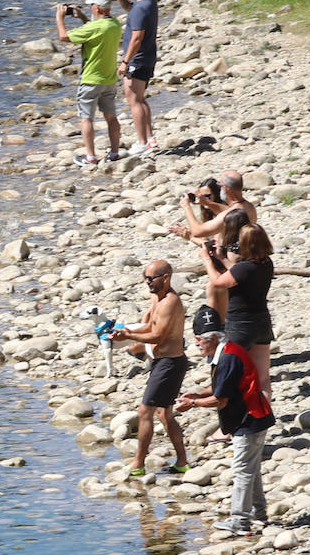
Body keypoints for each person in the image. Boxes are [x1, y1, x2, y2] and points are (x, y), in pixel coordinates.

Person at [175, 306, 276, 536]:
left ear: (212, 338)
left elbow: (220, 399)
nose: (197, 344)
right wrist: (198, 394)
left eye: (199, 339)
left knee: (242, 469)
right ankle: (260, 515)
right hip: (254, 418)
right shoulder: (226, 351)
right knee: (251, 469)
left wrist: (192, 404)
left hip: (249, 420)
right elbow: (223, 387)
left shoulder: (228, 358)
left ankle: (240, 522)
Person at [112, 260, 189, 477]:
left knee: (145, 411)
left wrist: (129, 336)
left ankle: (138, 464)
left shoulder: (170, 302)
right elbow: (149, 326)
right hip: (161, 363)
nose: (147, 282)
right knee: (165, 414)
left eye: (151, 278)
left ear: (166, 278)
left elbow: (158, 335)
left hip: (170, 364)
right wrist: (125, 331)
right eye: (145, 278)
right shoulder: (156, 297)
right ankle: (182, 461)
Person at [203, 222, 275, 402]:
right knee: (263, 377)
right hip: (262, 323)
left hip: (240, 325)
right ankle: (264, 417)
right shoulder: (266, 263)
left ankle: (232, 423)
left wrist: (206, 260)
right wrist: (222, 259)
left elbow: (219, 282)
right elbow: (239, 274)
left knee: (228, 373)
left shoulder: (244, 268)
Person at [55, 0, 122, 166]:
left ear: (97, 7)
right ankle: (114, 153)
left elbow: (64, 37)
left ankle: (90, 157)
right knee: (111, 117)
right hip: (109, 79)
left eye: (92, 5)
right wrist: (83, 17)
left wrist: (59, 17)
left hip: (91, 79)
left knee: (87, 118)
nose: (91, 7)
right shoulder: (114, 24)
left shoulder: (93, 28)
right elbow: (95, 29)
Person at [107, 0, 158, 155]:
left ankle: (142, 142)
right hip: (148, 57)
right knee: (141, 99)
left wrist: (125, 62)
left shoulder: (141, 8)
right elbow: (129, 7)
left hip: (137, 59)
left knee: (134, 101)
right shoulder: (149, 4)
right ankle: (150, 139)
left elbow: (137, 38)